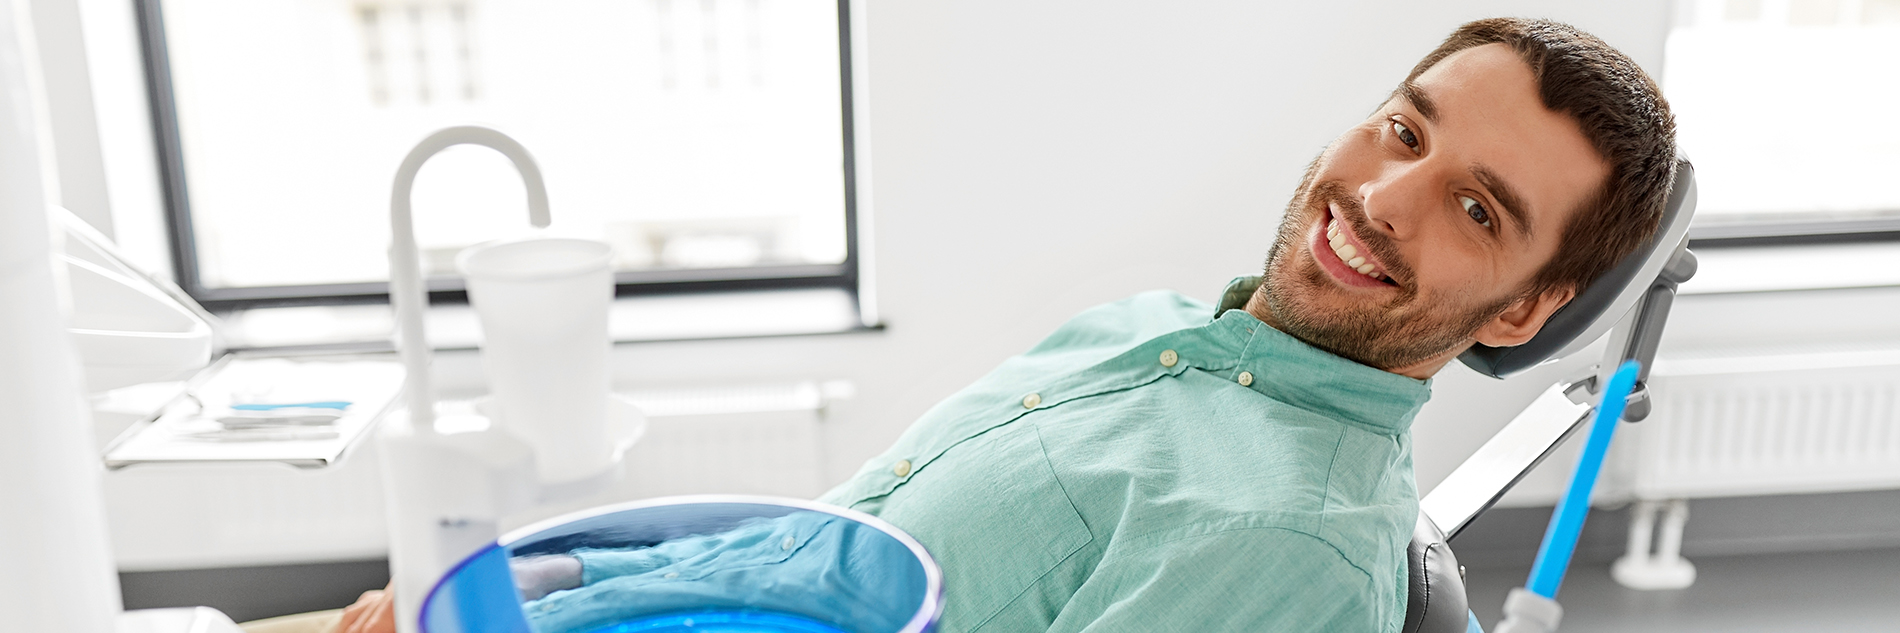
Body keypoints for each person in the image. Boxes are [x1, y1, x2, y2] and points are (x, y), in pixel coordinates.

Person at [327, 16, 1676, 633]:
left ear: (1530, 303)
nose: (1380, 198)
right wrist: (536, 591)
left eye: (1479, 210)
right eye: (1403, 128)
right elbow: (816, 550)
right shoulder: (1154, 333)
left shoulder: (1283, 547)